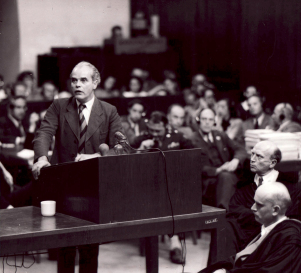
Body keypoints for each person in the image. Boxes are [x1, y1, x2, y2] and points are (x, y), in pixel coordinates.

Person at [32, 61, 123, 273]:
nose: (77, 85)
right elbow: (44, 133)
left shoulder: (109, 112)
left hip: (93, 187)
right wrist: (42, 158)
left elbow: (122, 148)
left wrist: (96, 156)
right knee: (65, 249)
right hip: (63, 186)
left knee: (90, 249)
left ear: (95, 83)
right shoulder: (59, 106)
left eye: (83, 80)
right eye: (74, 80)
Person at [200, 183, 301, 273]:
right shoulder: (266, 228)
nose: (252, 208)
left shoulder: (291, 240)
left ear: (275, 210)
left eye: (259, 205)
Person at [131, 111, 194, 265]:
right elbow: (128, 163)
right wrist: (140, 149)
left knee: (173, 192)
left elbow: (192, 155)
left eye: (158, 130)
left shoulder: (177, 137)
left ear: (166, 126)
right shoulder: (142, 138)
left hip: (173, 183)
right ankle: (167, 241)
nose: (154, 134)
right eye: (151, 130)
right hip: (146, 185)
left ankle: (174, 243)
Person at [220, 140, 301, 260]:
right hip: (244, 230)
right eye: (252, 154)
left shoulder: (287, 186)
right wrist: (261, 214)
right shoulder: (246, 182)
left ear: (272, 163)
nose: (252, 159)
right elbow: (234, 208)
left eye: (259, 156)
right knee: (223, 227)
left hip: (271, 234)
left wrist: (254, 215)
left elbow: (288, 214)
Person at [191, 108, 247, 210]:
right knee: (226, 176)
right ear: (198, 120)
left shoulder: (220, 135)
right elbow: (193, 166)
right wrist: (218, 170)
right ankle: (224, 212)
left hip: (227, 174)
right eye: (204, 119)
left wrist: (236, 160)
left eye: (210, 119)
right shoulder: (192, 140)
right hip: (208, 179)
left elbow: (240, 149)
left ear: (214, 121)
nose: (207, 123)